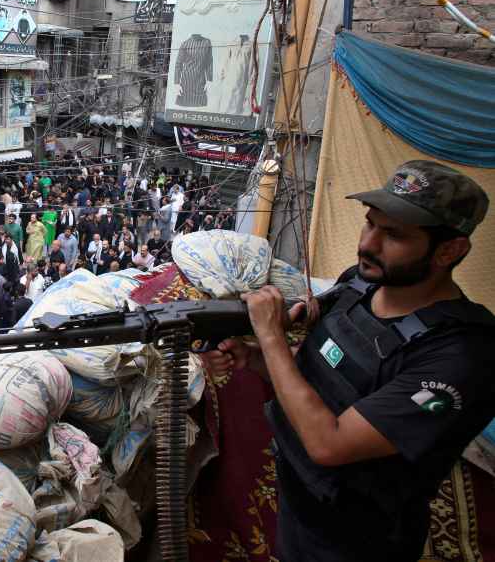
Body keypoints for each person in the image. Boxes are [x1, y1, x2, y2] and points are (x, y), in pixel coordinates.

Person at [205, 161, 494, 562]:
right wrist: (257, 360)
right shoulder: (358, 285)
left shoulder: (459, 356)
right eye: (370, 223)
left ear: (450, 250)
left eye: (393, 234)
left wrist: (270, 338)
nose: (368, 244)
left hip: (360, 541)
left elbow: (330, 443)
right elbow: (321, 381)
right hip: (300, 508)